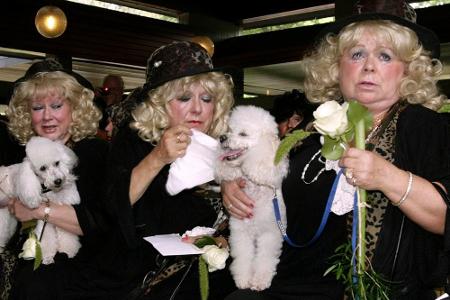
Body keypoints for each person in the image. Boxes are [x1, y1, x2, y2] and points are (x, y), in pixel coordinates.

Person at [223, 1, 450, 299]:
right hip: (289, 286)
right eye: (357, 54)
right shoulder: (310, 133)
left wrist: (387, 177)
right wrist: (232, 186)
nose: (369, 66)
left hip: (384, 292)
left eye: (385, 55)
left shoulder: (425, 126)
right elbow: (269, 190)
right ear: (337, 67)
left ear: (407, 70)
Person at [102, 41, 236, 299]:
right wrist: (158, 157)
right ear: (160, 105)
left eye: (206, 99)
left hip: (216, 271)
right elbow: (113, 206)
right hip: (148, 271)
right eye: (184, 98)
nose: (197, 108)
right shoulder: (136, 141)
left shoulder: (230, 146)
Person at [5, 59, 110, 300]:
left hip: (78, 274)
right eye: (37, 108)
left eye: (56, 105)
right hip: (32, 266)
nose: (47, 116)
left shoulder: (92, 152)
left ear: (74, 108)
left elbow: (96, 225)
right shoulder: (28, 153)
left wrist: (35, 209)